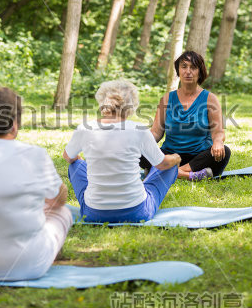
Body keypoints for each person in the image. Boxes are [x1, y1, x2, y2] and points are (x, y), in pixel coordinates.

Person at [0, 87, 72, 281]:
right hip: (27, 265)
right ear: (14, 124)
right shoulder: (35, 155)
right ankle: (52, 253)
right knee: (62, 212)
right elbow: (59, 200)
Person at [63, 80, 181, 223]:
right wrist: (175, 158)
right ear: (132, 105)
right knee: (170, 165)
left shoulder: (84, 128)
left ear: (102, 101)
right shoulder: (139, 130)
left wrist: (80, 161)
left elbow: (68, 157)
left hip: (93, 213)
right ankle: (138, 189)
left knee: (75, 166)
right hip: (137, 212)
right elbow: (162, 165)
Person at [141, 51, 231, 181]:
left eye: (193, 67)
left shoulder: (210, 99)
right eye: (184, 66)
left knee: (224, 152)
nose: (188, 71)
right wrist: (141, 143)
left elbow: (218, 132)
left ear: (200, 71)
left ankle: (166, 172)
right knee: (138, 150)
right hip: (170, 155)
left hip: (198, 157)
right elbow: (156, 132)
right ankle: (189, 175)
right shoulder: (167, 99)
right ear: (178, 70)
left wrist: (217, 142)